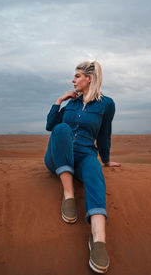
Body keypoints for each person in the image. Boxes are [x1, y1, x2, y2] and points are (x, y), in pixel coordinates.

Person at [44, 60, 121, 273]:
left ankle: (98, 240)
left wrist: (105, 160)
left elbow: (104, 135)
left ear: (90, 78)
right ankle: (68, 194)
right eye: (75, 76)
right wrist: (60, 100)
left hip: (86, 154)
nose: (73, 80)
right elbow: (50, 126)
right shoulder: (71, 103)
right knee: (61, 130)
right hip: (58, 157)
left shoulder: (106, 104)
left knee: (94, 171)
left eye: (77, 76)